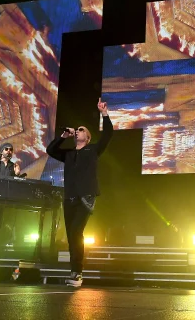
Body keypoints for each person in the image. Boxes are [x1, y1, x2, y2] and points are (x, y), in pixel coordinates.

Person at [46, 98, 114, 287]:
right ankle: (74, 272)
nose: (78, 131)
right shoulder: (68, 154)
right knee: (71, 236)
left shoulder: (92, 150)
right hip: (69, 198)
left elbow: (108, 135)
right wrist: (63, 136)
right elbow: (50, 150)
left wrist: (104, 113)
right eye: (77, 130)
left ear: (88, 137)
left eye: (81, 130)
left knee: (76, 232)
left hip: (85, 197)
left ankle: (77, 273)